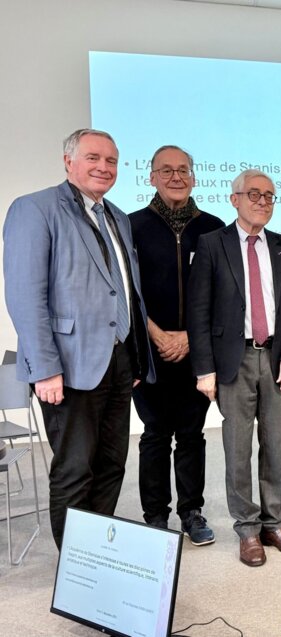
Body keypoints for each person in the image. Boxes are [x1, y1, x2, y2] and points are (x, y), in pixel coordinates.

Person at [3, 128, 154, 548]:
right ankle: (75, 570)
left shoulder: (117, 216)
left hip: (119, 361)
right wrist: (45, 368)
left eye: (112, 161)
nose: (104, 167)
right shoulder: (35, 209)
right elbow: (25, 295)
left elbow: (124, 290)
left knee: (111, 464)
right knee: (74, 469)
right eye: (93, 158)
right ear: (68, 161)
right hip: (68, 367)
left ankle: (96, 555)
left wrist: (134, 357)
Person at [187, 169, 281, 567]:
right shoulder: (212, 244)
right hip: (233, 360)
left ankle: (274, 523)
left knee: (275, 445)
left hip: (278, 359)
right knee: (238, 447)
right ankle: (247, 527)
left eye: (269, 196)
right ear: (234, 198)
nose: (262, 201)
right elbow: (199, 310)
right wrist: (203, 368)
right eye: (254, 194)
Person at [130, 145, 224, 544]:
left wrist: (190, 337)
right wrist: (158, 334)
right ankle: (155, 516)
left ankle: (192, 512)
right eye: (166, 170)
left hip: (197, 352)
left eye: (183, 169)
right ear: (151, 177)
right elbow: (127, 292)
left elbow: (226, 293)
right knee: (154, 434)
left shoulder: (214, 229)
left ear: (194, 176)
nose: (175, 176)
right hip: (150, 352)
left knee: (191, 434)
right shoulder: (130, 226)